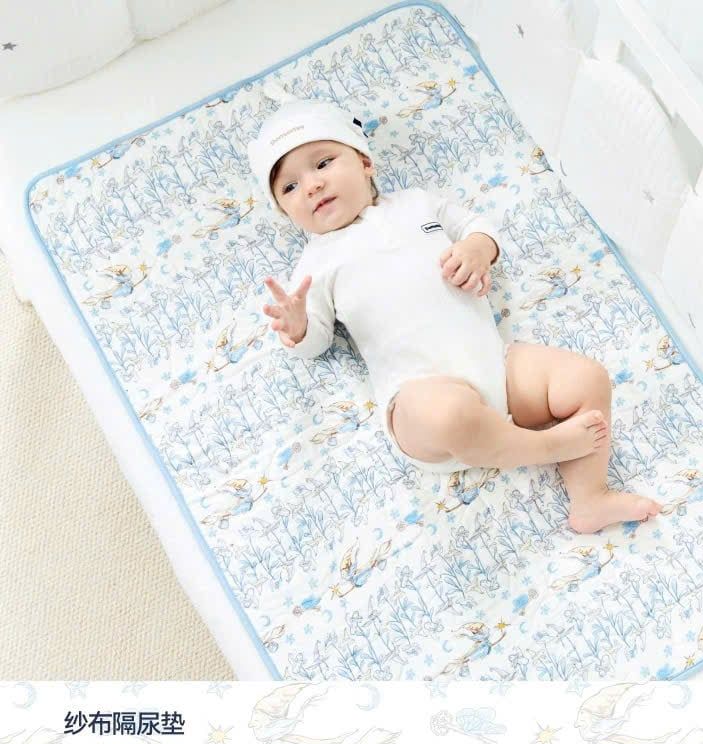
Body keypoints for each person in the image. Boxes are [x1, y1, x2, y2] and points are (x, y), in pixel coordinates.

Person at [247, 99, 661, 534]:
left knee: (586, 378)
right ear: (285, 212)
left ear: (365, 163)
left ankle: (590, 497)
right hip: (418, 400)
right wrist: (297, 326)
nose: (311, 186)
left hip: (497, 369)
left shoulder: (416, 204)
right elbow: (314, 341)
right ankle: (545, 447)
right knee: (451, 415)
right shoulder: (316, 263)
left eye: (323, 164)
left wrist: (478, 249)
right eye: (289, 188)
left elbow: (478, 226)